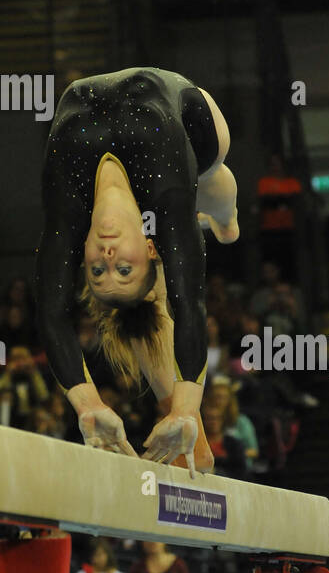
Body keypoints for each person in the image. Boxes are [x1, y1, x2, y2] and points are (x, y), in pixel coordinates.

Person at [35, 67, 239, 472]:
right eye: (125, 269)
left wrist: (89, 405)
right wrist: (183, 411)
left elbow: (51, 313)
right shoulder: (166, 204)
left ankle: (221, 221)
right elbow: (188, 304)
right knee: (212, 172)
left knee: (200, 194)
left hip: (145, 164)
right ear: (152, 248)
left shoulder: (68, 209)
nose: (108, 260)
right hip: (190, 118)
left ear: (84, 252)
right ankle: (225, 220)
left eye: (97, 271)